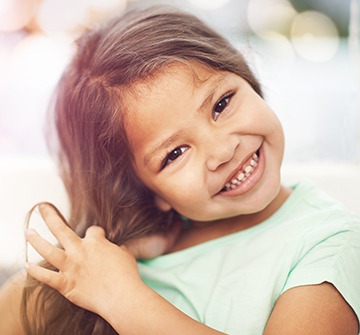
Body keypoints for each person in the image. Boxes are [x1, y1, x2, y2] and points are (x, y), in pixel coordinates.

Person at [0, 5, 359, 335]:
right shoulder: (128, 258)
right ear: (148, 192)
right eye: (174, 154)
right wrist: (118, 248)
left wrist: (122, 298)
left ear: (246, 76)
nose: (222, 150)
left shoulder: (330, 242)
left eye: (221, 104)